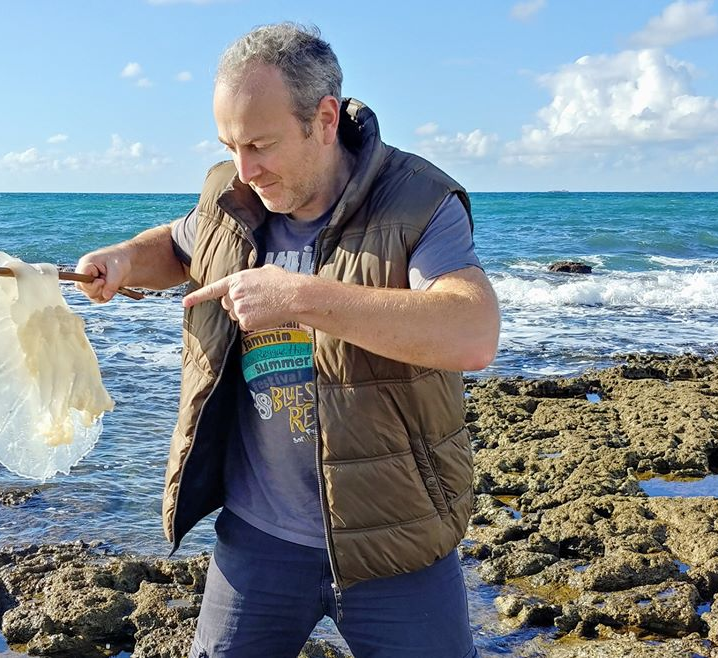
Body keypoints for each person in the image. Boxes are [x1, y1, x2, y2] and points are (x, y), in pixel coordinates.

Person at [75, 22, 499, 658]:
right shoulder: (233, 195)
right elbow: (180, 241)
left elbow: (471, 331)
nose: (245, 169)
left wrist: (299, 298)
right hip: (258, 541)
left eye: (261, 144)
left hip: (396, 539)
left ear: (324, 119)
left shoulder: (418, 201)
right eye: (230, 144)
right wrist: (126, 261)